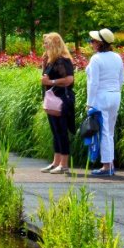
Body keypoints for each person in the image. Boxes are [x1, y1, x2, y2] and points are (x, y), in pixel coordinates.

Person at [86, 28, 124, 176]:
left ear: (100, 43)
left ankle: (106, 166)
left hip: (101, 96)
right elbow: (121, 79)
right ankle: (110, 164)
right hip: (115, 95)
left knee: (104, 131)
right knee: (109, 131)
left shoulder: (96, 59)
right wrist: (116, 91)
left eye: (93, 41)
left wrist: (89, 103)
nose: (91, 43)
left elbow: (93, 83)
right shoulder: (117, 57)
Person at [39, 32, 76, 174]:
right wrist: (44, 63)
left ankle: (64, 164)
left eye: (47, 43)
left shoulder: (63, 60)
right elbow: (45, 77)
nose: (45, 46)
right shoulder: (52, 60)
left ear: (54, 44)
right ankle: (56, 162)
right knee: (55, 131)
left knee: (61, 131)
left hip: (62, 99)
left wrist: (51, 82)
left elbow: (69, 79)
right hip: (52, 99)